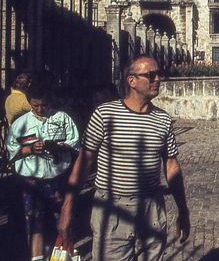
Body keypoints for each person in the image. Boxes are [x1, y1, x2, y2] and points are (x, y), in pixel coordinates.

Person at [58, 56, 190, 261]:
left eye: (158, 74)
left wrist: (183, 210)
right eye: (150, 75)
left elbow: (172, 166)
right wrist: (67, 208)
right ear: (132, 81)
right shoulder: (105, 115)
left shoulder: (162, 120)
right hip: (113, 209)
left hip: (151, 210)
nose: (157, 79)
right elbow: (84, 162)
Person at [5, 85, 80, 261]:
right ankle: (36, 257)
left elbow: (75, 143)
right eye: (35, 106)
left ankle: (65, 255)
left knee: (63, 220)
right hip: (31, 180)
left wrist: (59, 146)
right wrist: (30, 149)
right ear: (30, 103)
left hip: (57, 178)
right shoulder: (20, 124)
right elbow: (12, 153)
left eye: (44, 105)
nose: (40, 109)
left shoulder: (62, 118)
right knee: (34, 222)